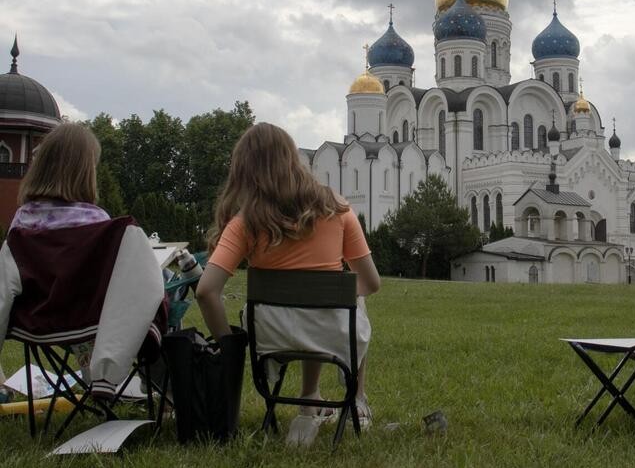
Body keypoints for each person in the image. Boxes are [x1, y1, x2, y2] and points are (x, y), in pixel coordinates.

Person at [196, 123, 381, 446]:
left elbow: (206, 291)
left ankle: (310, 401)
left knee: (312, 309)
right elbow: (370, 282)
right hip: (332, 332)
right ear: (293, 161)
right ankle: (356, 400)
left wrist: (228, 348)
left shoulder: (245, 223)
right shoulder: (336, 210)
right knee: (352, 299)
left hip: (271, 336)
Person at [0, 122, 164, 397]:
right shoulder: (98, 224)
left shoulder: (22, 226)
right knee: (166, 291)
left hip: (41, 322)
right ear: (86, 172)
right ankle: (157, 385)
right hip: (93, 321)